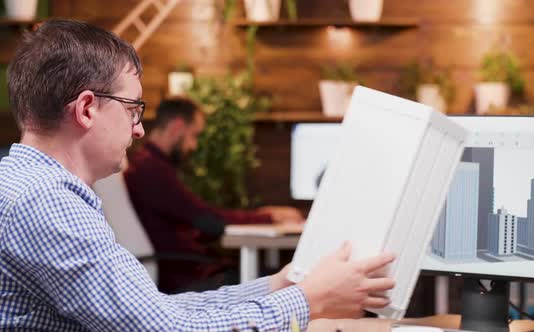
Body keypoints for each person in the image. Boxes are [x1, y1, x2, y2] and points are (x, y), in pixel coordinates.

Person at [0, 19, 396, 331]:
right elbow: (165, 329)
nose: (138, 129)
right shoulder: (47, 201)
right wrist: (310, 300)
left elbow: (156, 312)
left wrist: (282, 286)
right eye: (132, 109)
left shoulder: (29, 185)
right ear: (87, 109)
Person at [124, 97, 305, 293]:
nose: (193, 146)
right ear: (177, 127)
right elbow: (206, 219)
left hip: (190, 272)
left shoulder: (149, 165)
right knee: (288, 278)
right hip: (187, 280)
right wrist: (270, 216)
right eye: (194, 135)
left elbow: (195, 218)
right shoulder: (151, 170)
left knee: (275, 273)